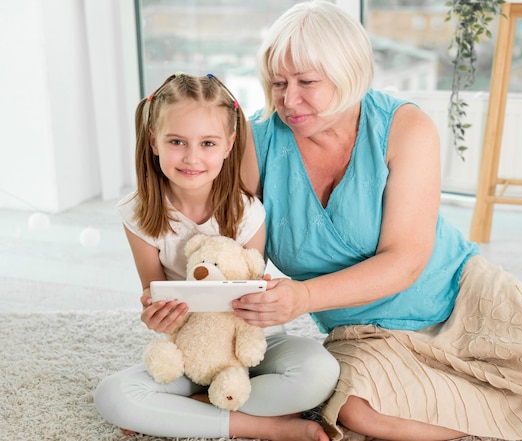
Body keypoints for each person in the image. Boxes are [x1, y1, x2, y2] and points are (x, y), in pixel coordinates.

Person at [236, 2, 522, 441]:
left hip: (457, 295)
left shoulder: (404, 126)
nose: (288, 100)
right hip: (364, 334)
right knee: (359, 413)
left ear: (349, 74)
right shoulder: (256, 143)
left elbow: (405, 261)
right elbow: (233, 256)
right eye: (277, 83)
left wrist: (303, 296)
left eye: (307, 82)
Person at [93, 72, 340, 441]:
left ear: (229, 145)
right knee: (112, 397)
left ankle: (186, 411)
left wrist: (264, 299)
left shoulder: (247, 212)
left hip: (255, 343)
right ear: (154, 141)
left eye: (207, 143)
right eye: (177, 141)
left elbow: (252, 286)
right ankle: (262, 426)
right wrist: (156, 316)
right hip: (189, 348)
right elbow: (152, 292)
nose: (192, 157)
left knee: (320, 372)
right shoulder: (138, 214)